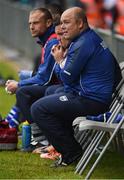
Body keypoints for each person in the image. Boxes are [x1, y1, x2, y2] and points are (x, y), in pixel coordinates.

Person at [31, 7, 122, 167]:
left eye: (67, 22)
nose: (62, 27)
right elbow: (69, 79)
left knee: (38, 108)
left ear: (80, 23)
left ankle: (70, 151)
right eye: (62, 23)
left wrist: (59, 60)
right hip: (93, 96)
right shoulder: (86, 39)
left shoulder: (83, 43)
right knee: (52, 91)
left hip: (93, 101)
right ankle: (62, 145)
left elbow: (66, 76)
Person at [5, 7, 59, 150]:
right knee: (24, 88)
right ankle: (38, 135)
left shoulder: (52, 42)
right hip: (54, 88)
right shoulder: (47, 41)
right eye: (30, 23)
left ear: (48, 23)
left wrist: (19, 84)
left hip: (60, 90)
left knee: (23, 91)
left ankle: (41, 138)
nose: (31, 27)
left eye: (35, 23)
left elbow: (45, 78)